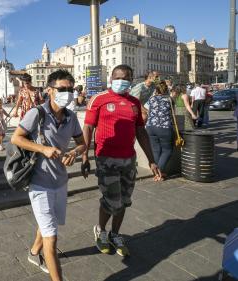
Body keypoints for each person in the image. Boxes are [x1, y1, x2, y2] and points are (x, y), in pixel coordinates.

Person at [11, 70, 86, 281]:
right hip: (39, 183)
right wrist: (42, 149)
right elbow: (16, 138)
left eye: (71, 89)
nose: (68, 93)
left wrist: (73, 153)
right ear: (50, 90)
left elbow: (82, 144)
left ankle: (33, 253)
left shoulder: (71, 117)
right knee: (51, 240)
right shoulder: (37, 113)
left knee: (48, 223)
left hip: (61, 182)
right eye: (62, 89)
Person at [82, 65, 162, 257]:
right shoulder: (98, 99)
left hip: (128, 160)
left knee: (124, 201)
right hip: (105, 158)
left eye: (126, 77)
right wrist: (84, 155)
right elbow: (87, 128)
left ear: (132, 79)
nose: (121, 80)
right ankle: (100, 230)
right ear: (111, 78)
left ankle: (115, 234)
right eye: (118, 77)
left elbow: (141, 132)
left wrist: (152, 160)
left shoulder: (134, 102)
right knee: (111, 200)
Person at [144, 81, 174, 180]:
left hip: (150, 127)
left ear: (156, 90)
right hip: (164, 128)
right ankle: (160, 172)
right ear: (166, 89)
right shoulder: (169, 99)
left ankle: (156, 174)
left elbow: (145, 108)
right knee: (167, 150)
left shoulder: (151, 99)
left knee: (155, 150)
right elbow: (173, 112)